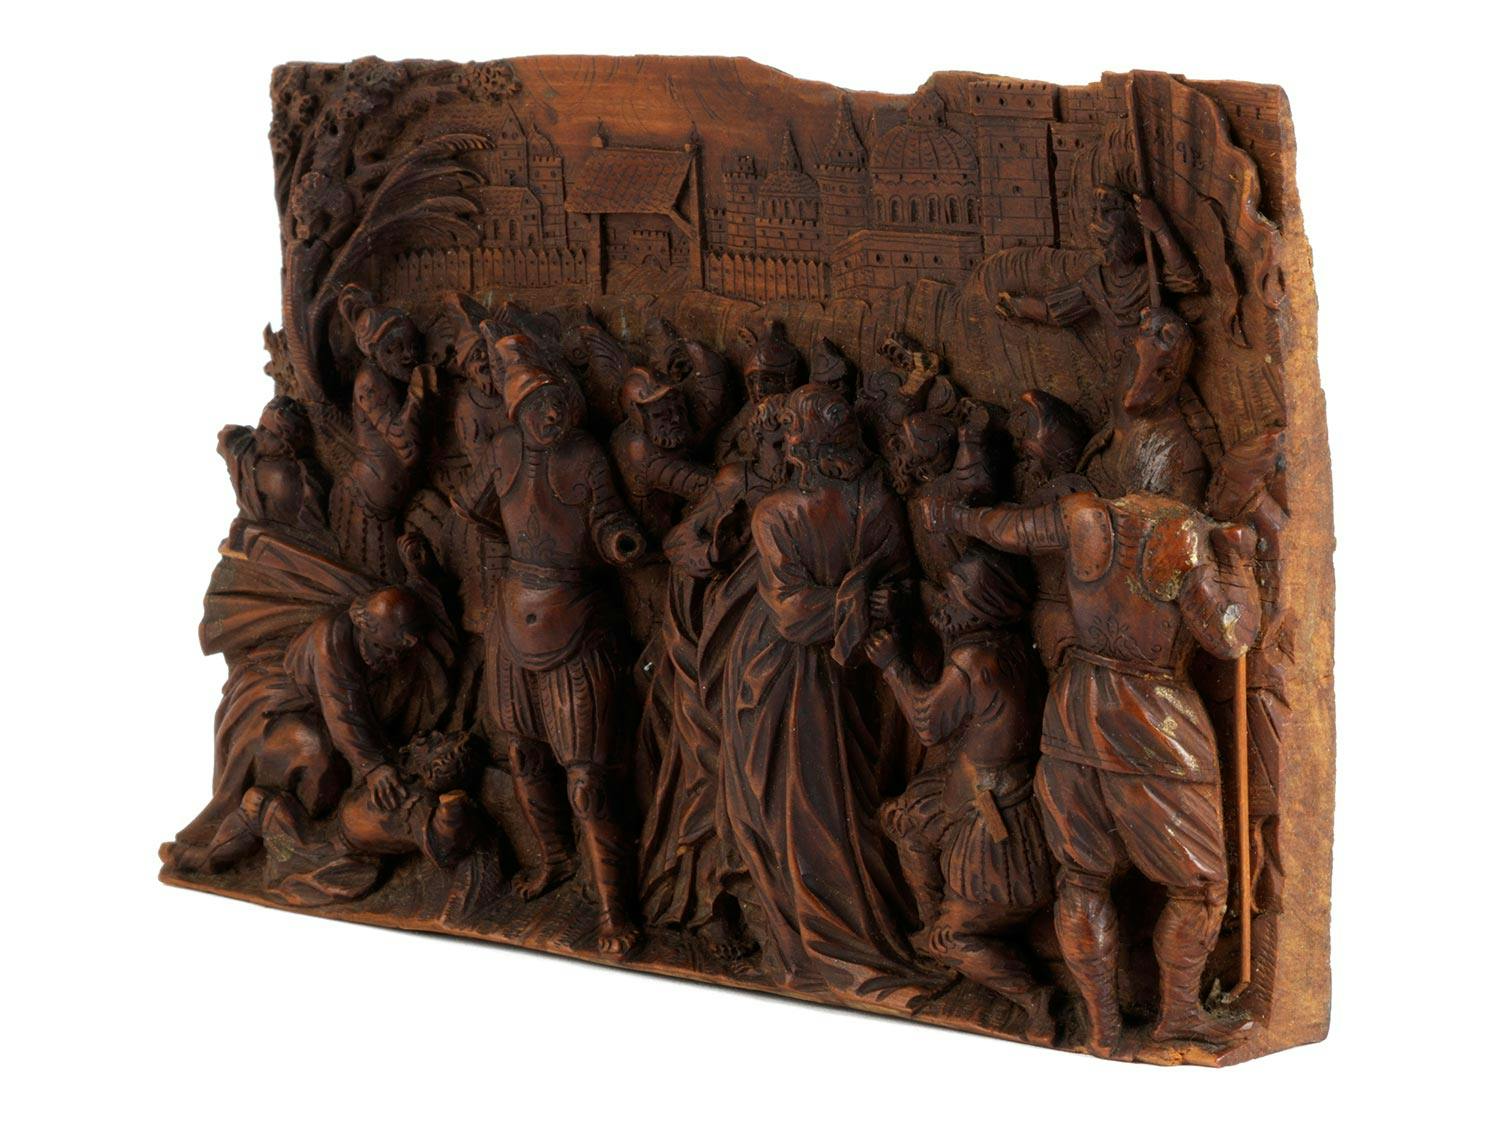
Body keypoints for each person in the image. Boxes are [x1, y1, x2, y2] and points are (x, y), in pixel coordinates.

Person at [920, 461, 1262, 1055]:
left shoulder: (1084, 519)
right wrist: (1237, 564)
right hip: (1150, 723)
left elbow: (1009, 528)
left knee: (1082, 879)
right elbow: (1230, 637)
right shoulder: (1180, 534)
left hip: (1074, 711)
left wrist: (958, 517)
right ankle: (1178, 1014)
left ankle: (1102, 1025)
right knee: (1202, 887)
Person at [717, 383, 932, 1007]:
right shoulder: (775, 515)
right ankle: (836, 952)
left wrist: (888, 599)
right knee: (807, 809)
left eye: (848, 443)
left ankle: (873, 932)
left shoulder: (875, 501)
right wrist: (861, 601)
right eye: (828, 445)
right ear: (802, 450)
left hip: (852, 670)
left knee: (851, 799)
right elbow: (789, 612)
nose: (843, 455)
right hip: (779, 674)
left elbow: (902, 577)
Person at [454, 330, 647, 955]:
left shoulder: (585, 455)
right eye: (539, 405)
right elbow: (474, 506)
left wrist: (617, 541)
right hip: (514, 614)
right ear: (517, 411)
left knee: (586, 776)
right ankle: (556, 859)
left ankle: (616, 908)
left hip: (576, 615)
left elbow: (608, 514)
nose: (553, 415)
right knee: (523, 753)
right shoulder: (504, 449)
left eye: (559, 402)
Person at [868, 552, 1055, 1043]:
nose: (943, 604)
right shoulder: (1012, 644)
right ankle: (933, 924)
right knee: (905, 821)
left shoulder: (973, 661)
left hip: (993, 820)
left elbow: (928, 722)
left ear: (980, 606)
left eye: (953, 595)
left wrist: (893, 665)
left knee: (956, 937)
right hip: (970, 791)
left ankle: (1033, 998)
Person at [636, 398, 786, 960]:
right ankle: (710, 903)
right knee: (713, 775)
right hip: (716, 647)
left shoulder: (807, 486)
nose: (784, 452)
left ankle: (768, 904)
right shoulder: (736, 482)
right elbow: (680, 542)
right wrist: (713, 552)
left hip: (772, 655)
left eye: (790, 440)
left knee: (765, 779)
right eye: (774, 442)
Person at [329, 284, 436, 581]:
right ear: (373, 353)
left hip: (390, 504)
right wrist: (417, 395)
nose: (408, 356)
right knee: (378, 588)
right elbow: (405, 446)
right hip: (366, 508)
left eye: (412, 346)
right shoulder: (370, 383)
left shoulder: (388, 377)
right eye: (393, 349)